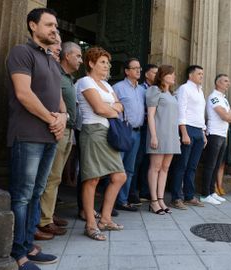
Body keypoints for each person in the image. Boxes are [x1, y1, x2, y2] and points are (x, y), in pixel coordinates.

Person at [6, 8, 65, 269]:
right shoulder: (22, 52)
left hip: (49, 137)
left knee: (37, 192)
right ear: (33, 25)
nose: (55, 29)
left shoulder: (52, 60)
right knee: (22, 195)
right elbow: (23, 94)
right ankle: (18, 253)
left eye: (56, 26)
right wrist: (52, 120)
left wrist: (63, 118)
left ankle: (28, 244)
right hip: (27, 135)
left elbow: (60, 100)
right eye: (49, 25)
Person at [75, 46, 127, 241]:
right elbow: (98, 108)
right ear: (91, 63)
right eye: (103, 62)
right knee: (92, 179)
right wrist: (112, 109)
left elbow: (120, 107)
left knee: (119, 176)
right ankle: (90, 224)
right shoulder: (85, 81)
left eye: (108, 62)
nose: (107, 66)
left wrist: (111, 109)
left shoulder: (107, 85)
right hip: (93, 132)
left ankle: (105, 219)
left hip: (108, 132)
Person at [37, 41, 83, 238]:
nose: (81, 59)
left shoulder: (68, 77)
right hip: (57, 130)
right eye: (79, 56)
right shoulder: (54, 73)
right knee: (51, 176)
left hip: (69, 130)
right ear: (67, 56)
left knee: (56, 177)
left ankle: (49, 214)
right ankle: (43, 220)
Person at [146, 65, 181, 214]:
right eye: (171, 74)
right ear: (163, 75)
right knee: (155, 167)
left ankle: (161, 199)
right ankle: (153, 201)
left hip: (172, 135)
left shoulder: (171, 94)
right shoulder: (154, 90)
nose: (174, 77)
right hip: (159, 133)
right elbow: (151, 115)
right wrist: (153, 135)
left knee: (165, 168)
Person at [170, 65, 206, 209]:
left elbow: (200, 113)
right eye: (199, 74)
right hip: (187, 128)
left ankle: (189, 196)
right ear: (190, 75)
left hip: (198, 130)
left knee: (192, 166)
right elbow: (181, 110)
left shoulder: (200, 91)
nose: (201, 76)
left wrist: (203, 133)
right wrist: (183, 132)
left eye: (202, 74)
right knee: (181, 165)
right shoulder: (184, 88)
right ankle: (176, 197)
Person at [112, 58, 146, 212]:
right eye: (135, 68)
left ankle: (122, 200)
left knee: (129, 169)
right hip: (122, 132)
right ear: (127, 71)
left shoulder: (142, 90)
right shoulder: (117, 88)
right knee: (116, 167)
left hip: (137, 133)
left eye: (139, 68)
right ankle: (110, 201)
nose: (138, 70)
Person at [200, 74, 231, 205]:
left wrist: (228, 116)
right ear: (217, 83)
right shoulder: (214, 97)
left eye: (228, 81)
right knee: (210, 165)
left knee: (217, 165)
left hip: (223, 134)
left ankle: (211, 191)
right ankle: (204, 194)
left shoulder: (224, 99)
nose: (228, 83)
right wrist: (228, 116)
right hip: (214, 133)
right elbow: (226, 116)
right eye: (225, 81)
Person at [128, 64, 158, 205]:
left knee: (148, 160)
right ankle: (132, 191)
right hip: (141, 126)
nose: (157, 76)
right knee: (136, 160)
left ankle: (145, 190)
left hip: (152, 128)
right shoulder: (142, 89)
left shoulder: (156, 90)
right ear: (147, 74)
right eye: (154, 73)